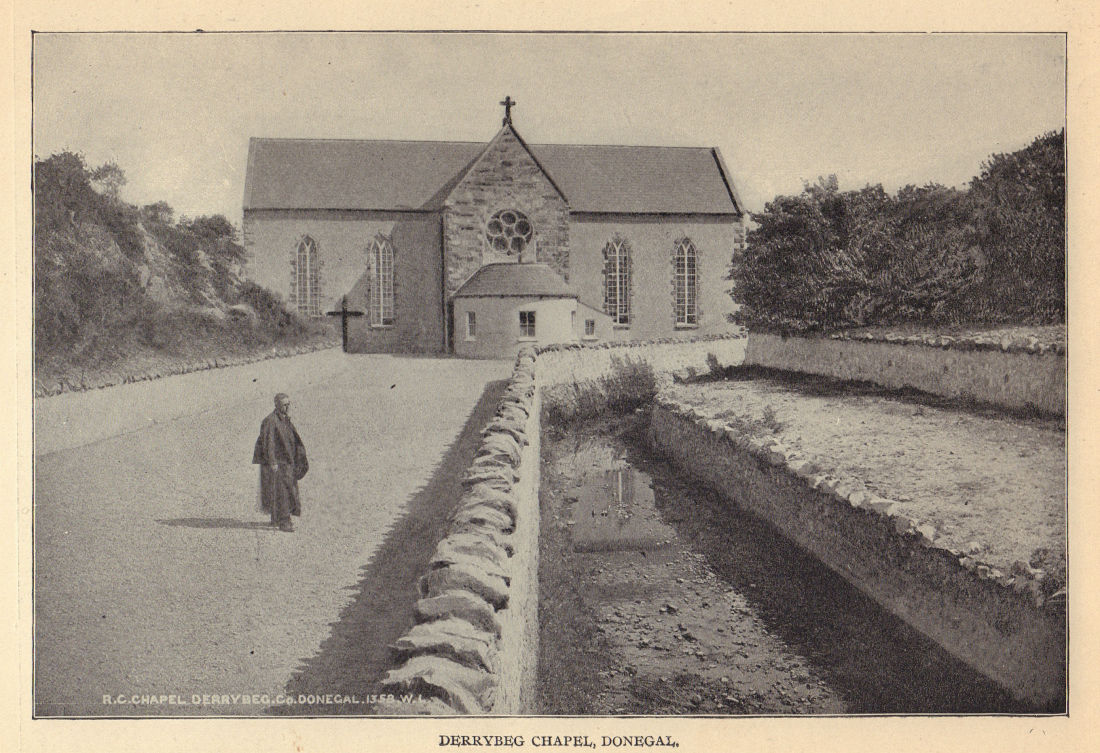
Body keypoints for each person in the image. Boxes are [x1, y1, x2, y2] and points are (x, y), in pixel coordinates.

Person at [252, 393, 308, 532]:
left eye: (289, 403)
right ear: (276, 405)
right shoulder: (271, 421)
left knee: (281, 490)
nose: (288, 406)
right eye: (284, 404)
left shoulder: (284, 419)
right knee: (283, 492)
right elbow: (268, 443)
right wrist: (272, 462)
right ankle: (285, 522)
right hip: (279, 463)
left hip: (288, 462)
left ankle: (276, 518)